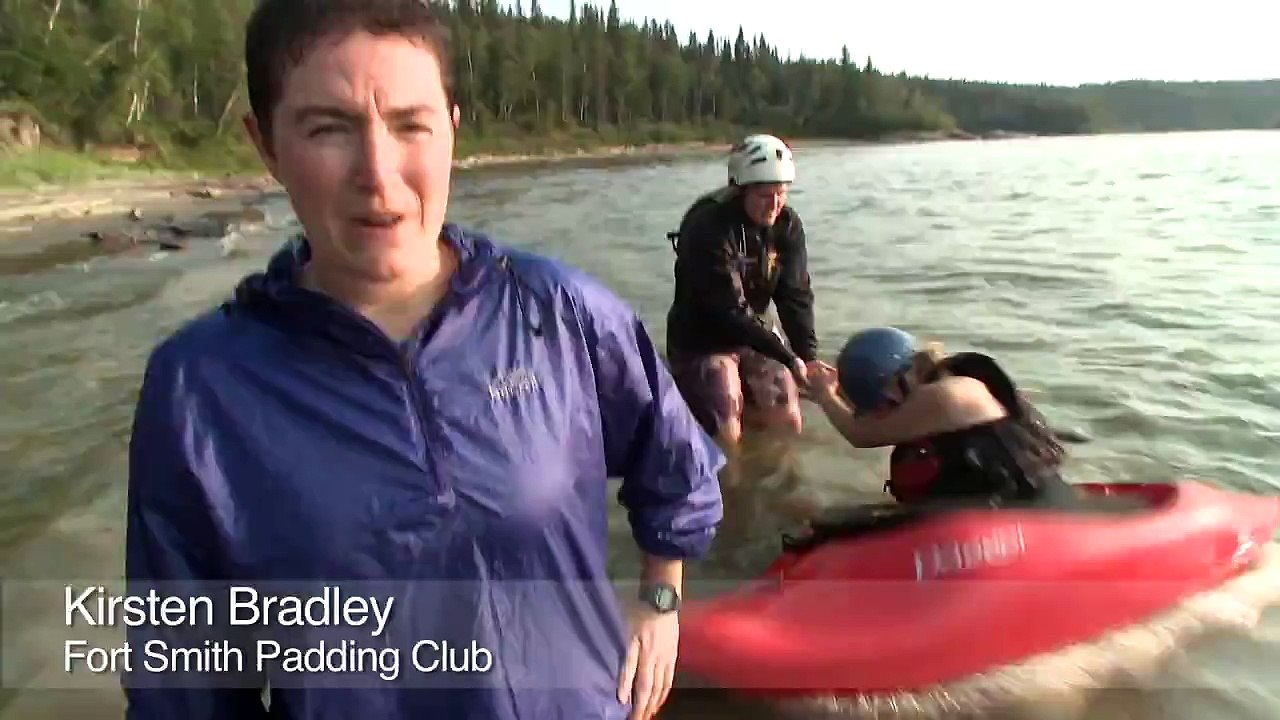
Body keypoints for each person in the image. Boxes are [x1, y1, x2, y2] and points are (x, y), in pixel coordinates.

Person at [122, 2, 724, 719]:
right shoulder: (201, 389)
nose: (379, 175)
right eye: (328, 128)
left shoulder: (560, 313)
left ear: (451, 133)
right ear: (267, 146)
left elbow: (675, 470)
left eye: (411, 125)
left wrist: (660, 603)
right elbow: (184, 685)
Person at [805, 327, 1080, 508]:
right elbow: (870, 421)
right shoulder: (944, 382)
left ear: (897, 379)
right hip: (1000, 504)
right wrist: (829, 393)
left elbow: (861, 435)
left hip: (1030, 509)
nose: (884, 412)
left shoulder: (944, 394)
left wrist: (824, 395)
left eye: (884, 403)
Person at [664, 133, 820, 449]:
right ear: (740, 189)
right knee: (726, 419)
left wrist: (807, 356)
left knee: (787, 416)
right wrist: (787, 357)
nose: (774, 204)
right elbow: (727, 309)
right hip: (703, 337)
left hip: (755, 331)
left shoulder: (787, 225)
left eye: (781, 193)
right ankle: (726, 477)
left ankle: (776, 476)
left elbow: (795, 295)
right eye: (764, 195)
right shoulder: (708, 227)